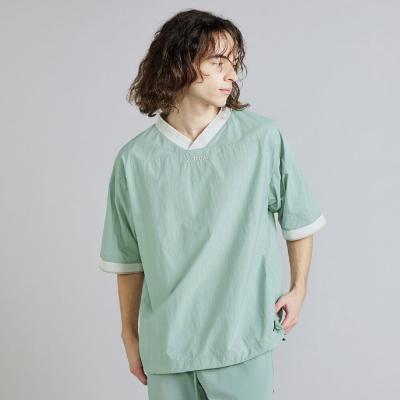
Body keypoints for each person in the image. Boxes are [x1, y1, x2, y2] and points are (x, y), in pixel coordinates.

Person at [98, 9, 327, 400]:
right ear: (179, 62)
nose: (232, 75)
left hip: (241, 338)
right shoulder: (135, 161)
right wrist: (129, 335)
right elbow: (128, 260)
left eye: (234, 64)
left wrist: (299, 288)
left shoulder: (260, 139)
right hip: (169, 347)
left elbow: (300, 218)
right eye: (218, 63)